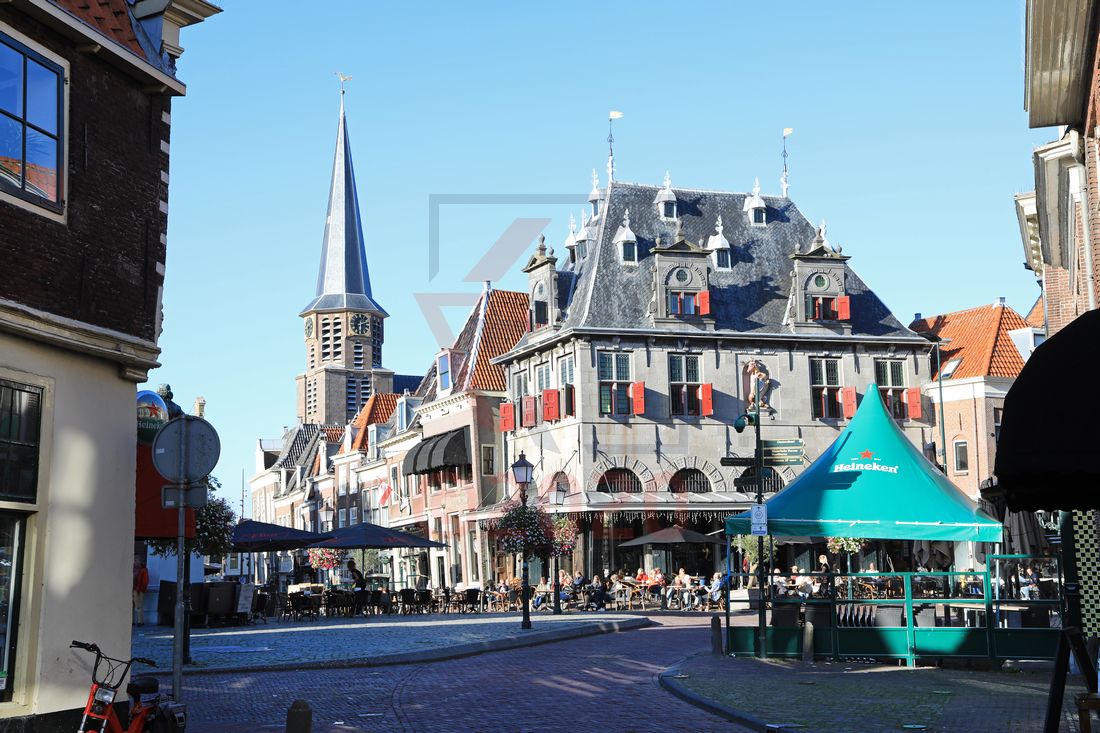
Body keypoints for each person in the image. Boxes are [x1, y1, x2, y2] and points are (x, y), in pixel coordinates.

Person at [133, 556, 149, 627]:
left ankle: (140, 621)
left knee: (139, 606)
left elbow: (145, 581)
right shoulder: (132, 569)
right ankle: (132, 621)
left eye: (137, 560)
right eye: (134, 560)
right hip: (132, 589)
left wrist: (141, 589)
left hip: (138, 590)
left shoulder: (143, 570)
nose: (135, 561)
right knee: (131, 606)